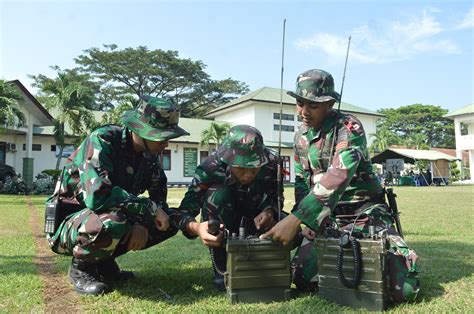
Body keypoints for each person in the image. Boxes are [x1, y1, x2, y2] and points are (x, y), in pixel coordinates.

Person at [260, 69, 419, 298]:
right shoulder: (300, 137)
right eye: (299, 103)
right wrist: (310, 223)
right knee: (303, 279)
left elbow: (339, 174)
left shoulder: (348, 127)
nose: (304, 112)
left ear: (330, 103)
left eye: (312, 105)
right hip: (329, 217)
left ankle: (395, 252)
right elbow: (303, 182)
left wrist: (296, 219)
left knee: (404, 292)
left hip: (365, 212)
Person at [46, 96, 189, 295]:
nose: (166, 143)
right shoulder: (103, 140)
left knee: (168, 222)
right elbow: (98, 197)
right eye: (162, 136)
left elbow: (160, 205)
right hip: (70, 225)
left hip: (108, 216)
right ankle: (81, 268)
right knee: (113, 220)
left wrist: (142, 222)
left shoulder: (150, 159)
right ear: (140, 130)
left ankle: (104, 263)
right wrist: (148, 209)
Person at [177, 125, 284, 291]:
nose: (248, 174)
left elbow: (277, 198)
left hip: (257, 224)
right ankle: (223, 267)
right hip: (223, 227)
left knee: (294, 229)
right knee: (217, 194)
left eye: (254, 166)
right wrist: (197, 228)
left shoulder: (272, 163)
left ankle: (269, 262)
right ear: (228, 160)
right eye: (241, 167)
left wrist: (269, 211)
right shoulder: (210, 167)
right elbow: (183, 212)